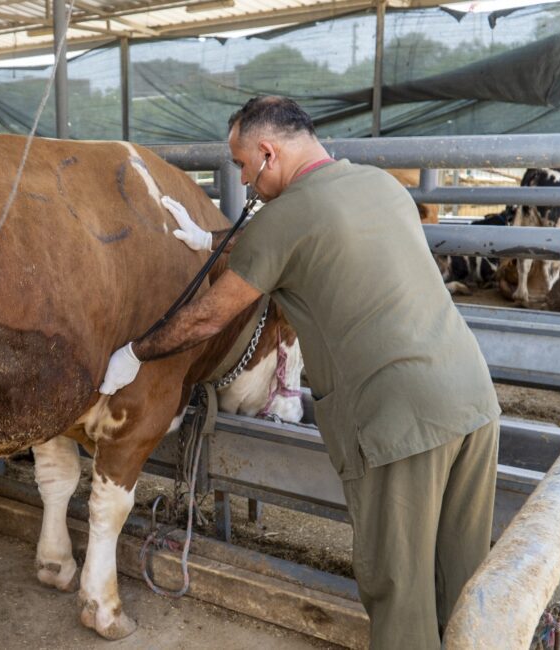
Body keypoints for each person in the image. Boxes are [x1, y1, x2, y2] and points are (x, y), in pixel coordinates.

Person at [99, 96, 501, 648]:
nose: (243, 179)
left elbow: (208, 317)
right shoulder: (379, 185)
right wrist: (210, 240)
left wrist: (134, 352)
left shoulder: (285, 217)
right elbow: (306, 239)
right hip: (473, 400)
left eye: (242, 165)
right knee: (466, 580)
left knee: (399, 590)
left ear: (268, 152)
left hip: (399, 420)